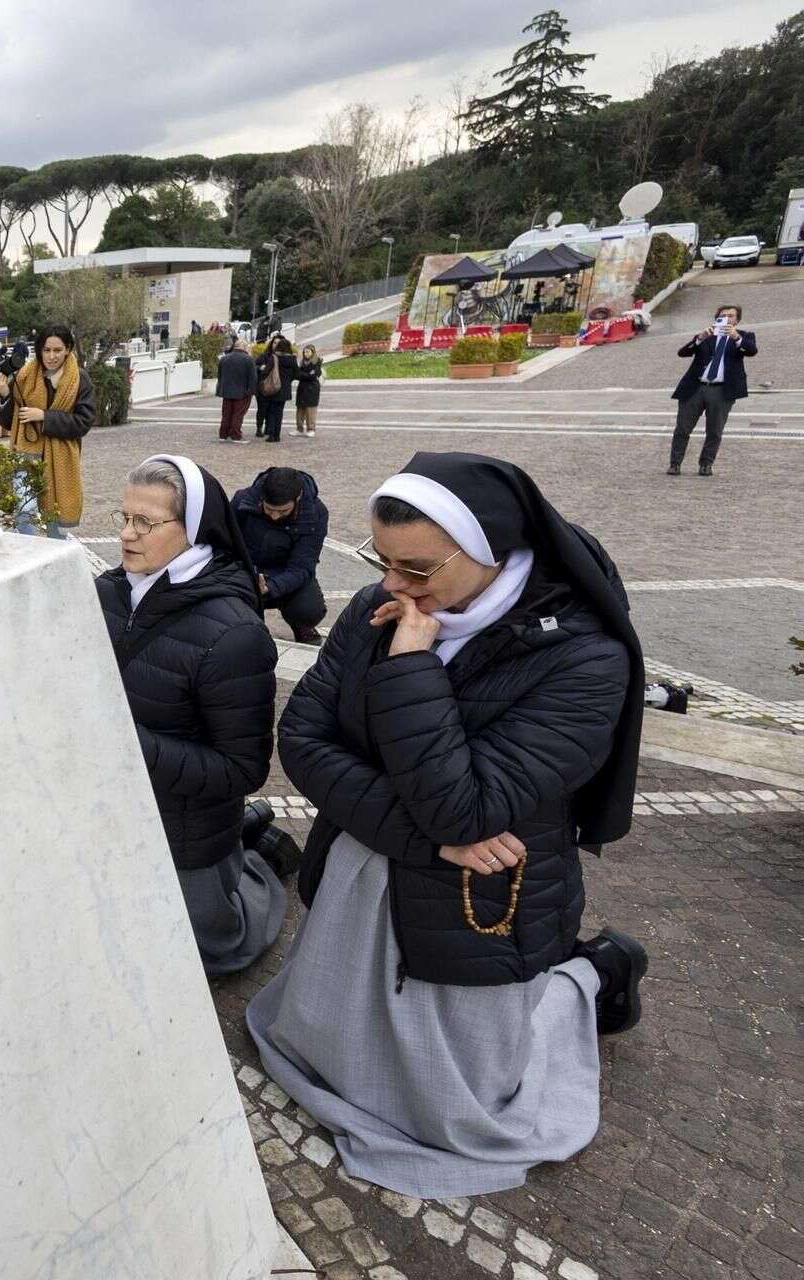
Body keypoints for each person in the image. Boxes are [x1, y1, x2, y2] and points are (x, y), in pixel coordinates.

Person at [248, 452, 649, 1200]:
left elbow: (463, 809)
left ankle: (598, 972)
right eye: (383, 560)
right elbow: (302, 740)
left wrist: (410, 666)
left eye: (419, 569)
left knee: (451, 1092)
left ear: (491, 554)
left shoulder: (586, 660)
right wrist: (422, 836)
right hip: (395, 865)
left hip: (478, 905)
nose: (393, 585)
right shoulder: (380, 601)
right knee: (331, 1028)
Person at [98, 454, 285, 973]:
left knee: (216, 952)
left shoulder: (234, 636)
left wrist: (130, 744)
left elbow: (242, 769)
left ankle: (256, 862)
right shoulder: (107, 592)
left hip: (186, 829)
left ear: (195, 529)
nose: (127, 535)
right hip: (114, 810)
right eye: (124, 518)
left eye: (146, 523)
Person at [0, 325, 94, 538]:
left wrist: (44, 416)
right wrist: (5, 396)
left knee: (54, 522)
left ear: (68, 349)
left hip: (60, 459)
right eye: (47, 350)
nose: (51, 356)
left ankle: (56, 559)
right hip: (26, 455)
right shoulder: (25, 376)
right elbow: (11, 421)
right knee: (25, 510)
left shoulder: (79, 379)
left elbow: (83, 422)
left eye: (57, 350)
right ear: (40, 350)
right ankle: (31, 554)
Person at [233, 466, 328, 645]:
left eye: (283, 511)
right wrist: (245, 575)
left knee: (308, 610)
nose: (275, 516)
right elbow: (226, 544)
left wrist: (270, 586)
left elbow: (303, 567)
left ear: (298, 497)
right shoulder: (242, 501)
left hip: (287, 572)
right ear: (262, 497)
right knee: (240, 620)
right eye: (269, 509)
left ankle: (301, 625)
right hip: (247, 569)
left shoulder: (316, 513)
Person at [668, 304, 757, 476]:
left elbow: (752, 351)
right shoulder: (707, 335)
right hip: (695, 387)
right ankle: (675, 463)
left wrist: (736, 338)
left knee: (714, 431)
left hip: (721, 391)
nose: (727, 318)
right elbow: (683, 353)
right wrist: (700, 338)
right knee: (682, 429)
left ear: (737, 320)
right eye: (723, 315)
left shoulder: (744, 336)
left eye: (731, 316)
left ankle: (706, 464)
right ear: (717, 318)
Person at [255, 335, 297, 442]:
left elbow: (265, 372)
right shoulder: (292, 359)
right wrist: (287, 380)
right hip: (285, 390)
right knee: (280, 412)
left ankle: (272, 435)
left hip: (274, 388)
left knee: (272, 412)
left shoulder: (275, 358)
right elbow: (297, 374)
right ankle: (277, 435)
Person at [216, 335, 256, 443]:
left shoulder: (224, 358)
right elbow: (253, 378)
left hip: (226, 391)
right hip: (242, 393)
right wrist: (251, 391)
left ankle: (223, 435)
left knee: (226, 414)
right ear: (244, 347)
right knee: (238, 415)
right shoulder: (248, 359)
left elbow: (219, 375)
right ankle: (236, 435)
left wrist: (220, 389)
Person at [293, 343, 323, 436]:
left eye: (308, 351)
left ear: (312, 352)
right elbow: (298, 375)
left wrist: (304, 375)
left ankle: (311, 429)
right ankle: (299, 428)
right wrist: (306, 375)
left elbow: (313, 376)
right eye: (304, 352)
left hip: (312, 389)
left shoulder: (316, 363)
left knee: (310, 410)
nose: (305, 353)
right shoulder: (302, 363)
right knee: (300, 410)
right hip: (302, 389)